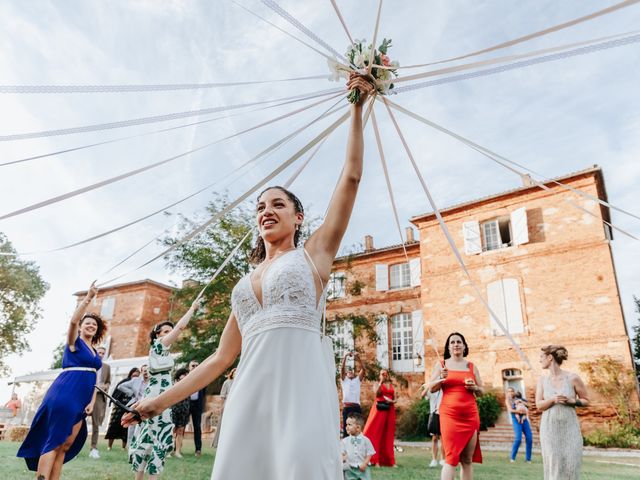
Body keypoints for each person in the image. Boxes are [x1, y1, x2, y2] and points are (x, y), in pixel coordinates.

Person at [123, 73, 374, 480]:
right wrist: (158, 402)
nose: (266, 211)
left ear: (298, 217)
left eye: (278, 204)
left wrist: (356, 106)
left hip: (300, 392)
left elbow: (351, 176)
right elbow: (221, 358)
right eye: (260, 207)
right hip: (249, 395)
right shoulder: (245, 282)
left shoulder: (315, 255)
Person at [17, 282, 104, 480]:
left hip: (83, 399)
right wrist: (88, 298)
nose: (91, 325)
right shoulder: (75, 344)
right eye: (87, 323)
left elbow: (95, 378)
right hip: (65, 394)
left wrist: (91, 401)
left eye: (95, 324)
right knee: (54, 440)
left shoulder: (94, 352)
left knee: (66, 444)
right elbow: (72, 322)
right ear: (81, 327)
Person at [128, 303, 198, 479]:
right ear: (157, 334)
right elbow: (181, 327)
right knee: (149, 437)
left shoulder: (164, 353)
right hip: (155, 396)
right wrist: (192, 309)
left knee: (159, 438)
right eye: (166, 331)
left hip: (164, 397)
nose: (169, 334)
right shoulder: (158, 345)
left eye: (170, 331)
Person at [429, 332, 483, 480]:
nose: (456, 344)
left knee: (467, 459)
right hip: (450, 415)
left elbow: (482, 391)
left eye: (459, 341)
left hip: (470, 415)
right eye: (452, 342)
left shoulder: (471, 366)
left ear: (464, 346)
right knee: (451, 457)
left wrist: (475, 388)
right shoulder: (441, 365)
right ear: (448, 347)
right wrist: (441, 378)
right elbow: (431, 389)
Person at [536, 345, 589, 480]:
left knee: (571, 467)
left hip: (570, 429)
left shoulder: (572, 378)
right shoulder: (542, 380)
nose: (539, 360)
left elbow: (586, 401)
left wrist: (573, 401)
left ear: (550, 358)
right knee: (554, 469)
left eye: (541, 357)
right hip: (549, 430)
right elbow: (539, 405)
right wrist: (552, 400)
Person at [362, 369, 397, 467]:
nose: (384, 375)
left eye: (385, 374)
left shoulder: (391, 385)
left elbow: (395, 397)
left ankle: (390, 460)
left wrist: (393, 401)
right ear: (379, 375)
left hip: (390, 409)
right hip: (379, 409)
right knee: (375, 432)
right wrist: (380, 382)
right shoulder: (377, 384)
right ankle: (375, 459)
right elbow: (376, 394)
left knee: (388, 434)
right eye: (382, 374)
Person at [104, 367, 140, 450]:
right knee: (114, 426)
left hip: (130, 407)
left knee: (126, 428)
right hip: (119, 407)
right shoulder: (124, 382)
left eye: (137, 376)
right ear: (130, 374)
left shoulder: (138, 384)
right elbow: (117, 391)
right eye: (134, 375)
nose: (135, 377)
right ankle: (109, 446)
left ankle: (123, 447)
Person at [89, 346, 111, 459]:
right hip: (86, 395)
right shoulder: (89, 364)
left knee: (95, 424)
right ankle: (72, 446)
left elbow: (108, 382)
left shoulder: (107, 367)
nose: (101, 354)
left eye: (103, 353)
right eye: (99, 352)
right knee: (77, 422)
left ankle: (93, 448)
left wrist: (103, 387)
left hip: (98, 397)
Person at [119, 365, 149, 447]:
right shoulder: (136, 380)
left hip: (147, 406)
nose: (146, 372)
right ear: (141, 372)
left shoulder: (153, 382)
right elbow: (121, 386)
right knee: (132, 426)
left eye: (147, 370)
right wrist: (131, 393)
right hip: (136, 406)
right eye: (144, 371)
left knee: (145, 427)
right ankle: (130, 446)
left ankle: (142, 446)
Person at [341, 412, 375, 480]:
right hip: (350, 469)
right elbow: (342, 453)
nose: (346, 427)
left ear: (358, 428)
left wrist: (365, 464)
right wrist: (343, 457)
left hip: (363, 468)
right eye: (346, 424)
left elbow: (369, 453)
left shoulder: (366, 440)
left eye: (349, 425)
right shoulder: (345, 441)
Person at [340, 351, 365, 438]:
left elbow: (363, 369)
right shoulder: (344, 380)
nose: (350, 372)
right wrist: (345, 356)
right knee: (347, 429)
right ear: (346, 374)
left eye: (352, 371)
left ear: (354, 374)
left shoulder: (357, 380)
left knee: (358, 428)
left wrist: (358, 358)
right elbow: (342, 369)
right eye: (348, 371)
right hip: (347, 408)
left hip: (356, 407)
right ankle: (346, 449)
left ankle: (358, 447)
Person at [505, 387, 533, 464]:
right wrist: (521, 412)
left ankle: (528, 459)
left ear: (514, 392)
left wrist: (522, 403)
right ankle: (512, 458)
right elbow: (511, 410)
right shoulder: (507, 401)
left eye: (512, 391)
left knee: (529, 438)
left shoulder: (519, 398)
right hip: (515, 419)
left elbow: (529, 406)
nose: (510, 393)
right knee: (518, 439)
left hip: (524, 419)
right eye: (509, 391)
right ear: (507, 393)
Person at [211, 367, 236, 448]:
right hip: (227, 404)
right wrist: (221, 406)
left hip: (236, 406)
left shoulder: (241, 383)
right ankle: (217, 443)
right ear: (231, 373)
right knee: (222, 423)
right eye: (234, 372)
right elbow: (222, 396)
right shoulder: (227, 382)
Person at [170, 368, 191, 458]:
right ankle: (168, 450)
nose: (186, 376)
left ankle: (177, 451)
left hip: (184, 409)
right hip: (174, 409)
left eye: (187, 374)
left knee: (180, 431)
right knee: (172, 430)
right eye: (184, 374)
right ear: (179, 376)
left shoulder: (189, 384)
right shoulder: (173, 384)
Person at [187, 359, 206, 457]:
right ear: (189, 367)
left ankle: (198, 449)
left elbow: (204, 394)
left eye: (196, 366)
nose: (195, 367)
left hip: (197, 405)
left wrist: (203, 407)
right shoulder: (185, 378)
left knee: (197, 427)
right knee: (179, 426)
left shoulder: (202, 378)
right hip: (186, 404)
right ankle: (176, 448)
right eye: (193, 366)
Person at [423, 383, 443, 468]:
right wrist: (427, 386)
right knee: (434, 438)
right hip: (434, 414)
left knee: (443, 439)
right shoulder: (431, 391)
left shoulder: (443, 389)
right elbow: (423, 394)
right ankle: (434, 460)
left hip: (443, 414)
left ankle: (443, 459)